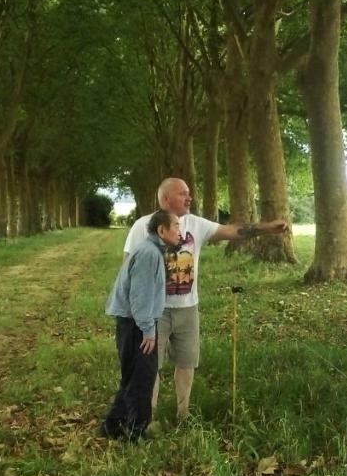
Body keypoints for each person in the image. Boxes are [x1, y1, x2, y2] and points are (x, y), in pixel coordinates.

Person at [123, 178, 288, 420]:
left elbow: (233, 231)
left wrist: (268, 228)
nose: (190, 198)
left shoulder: (196, 225)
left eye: (189, 193)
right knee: (150, 367)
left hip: (188, 309)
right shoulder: (142, 226)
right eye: (183, 194)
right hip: (153, 310)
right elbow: (128, 266)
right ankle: (148, 418)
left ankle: (183, 413)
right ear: (165, 199)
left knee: (187, 362)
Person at [100, 210, 182, 441]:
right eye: (175, 225)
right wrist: (148, 329)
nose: (180, 231)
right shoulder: (150, 254)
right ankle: (136, 432)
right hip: (136, 324)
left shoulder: (151, 250)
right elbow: (140, 297)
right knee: (143, 378)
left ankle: (112, 427)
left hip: (132, 322)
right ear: (161, 230)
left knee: (132, 376)